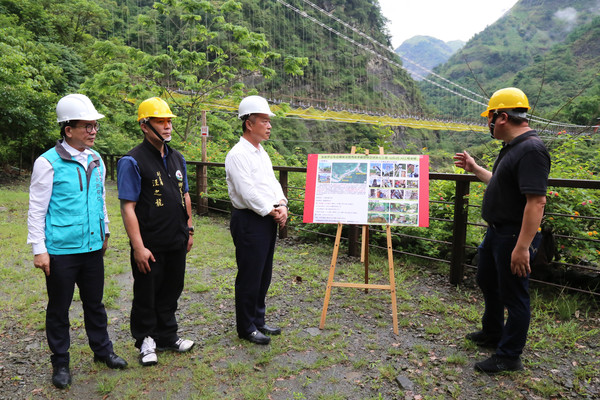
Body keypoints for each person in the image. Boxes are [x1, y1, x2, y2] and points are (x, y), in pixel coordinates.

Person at [27, 94, 128, 389]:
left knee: (95, 303)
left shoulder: (96, 159)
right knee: (59, 307)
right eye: (86, 126)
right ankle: (60, 362)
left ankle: (103, 350)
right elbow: (37, 209)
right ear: (67, 129)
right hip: (61, 250)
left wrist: (105, 230)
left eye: (95, 125)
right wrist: (39, 249)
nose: (93, 131)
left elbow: (100, 198)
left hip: (93, 247)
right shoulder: (47, 163)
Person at [453, 87, 551, 374]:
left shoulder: (532, 150)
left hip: (513, 236)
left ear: (503, 117)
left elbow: (536, 201)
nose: (489, 124)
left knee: (514, 295)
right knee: (489, 283)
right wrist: (475, 169)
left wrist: (522, 248)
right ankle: (492, 333)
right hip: (496, 233)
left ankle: (509, 356)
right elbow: (500, 183)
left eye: (490, 118)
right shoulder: (513, 148)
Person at [117, 97, 194, 366]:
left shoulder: (176, 157)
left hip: (176, 237)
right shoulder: (132, 161)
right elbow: (128, 207)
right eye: (160, 121)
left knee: (172, 288)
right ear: (144, 125)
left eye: (169, 120)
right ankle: (146, 339)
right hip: (149, 242)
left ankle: (167, 335)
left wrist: (190, 229)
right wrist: (138, 246)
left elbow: (185, 194)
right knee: (146, 291)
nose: (167, 126)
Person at [225, 95, 288, 345]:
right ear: (249, 123)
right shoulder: (238, 154)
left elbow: (271, 183)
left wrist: (282, 204)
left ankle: (258, 320)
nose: (269, 125)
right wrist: (272, 210)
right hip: (249, 219)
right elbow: (246, 192)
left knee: (263, 273)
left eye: (268, 121)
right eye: (264, 120)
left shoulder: (261, 152)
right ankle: (246, 327)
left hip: (265, 217)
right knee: (250, 274)